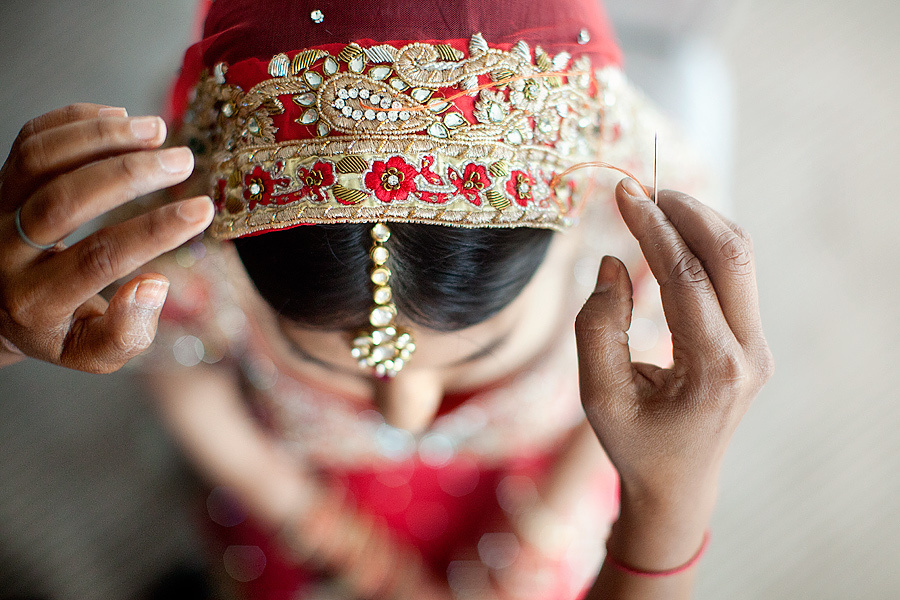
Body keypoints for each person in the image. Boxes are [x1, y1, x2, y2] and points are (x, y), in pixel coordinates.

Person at [0, 0, 773, 598]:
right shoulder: (202, 260)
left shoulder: (625, 257)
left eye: (482, 353)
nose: (403, 415)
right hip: (304, 479)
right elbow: (186, 380)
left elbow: (621, 427)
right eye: (313, 353)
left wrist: (538, 536)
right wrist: (319, 524)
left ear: (587, 230)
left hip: (545, 474)